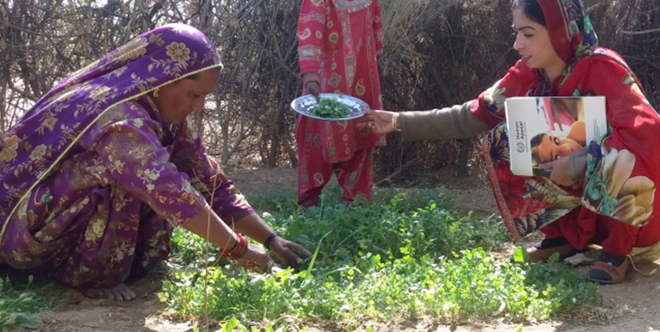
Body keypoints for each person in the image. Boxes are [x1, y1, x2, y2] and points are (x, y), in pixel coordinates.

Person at [0, 24, 310, 301]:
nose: (200, 106)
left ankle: (109, 264)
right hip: (22, 235)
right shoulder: (119, 119)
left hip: (53, 221)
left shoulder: (167, 117)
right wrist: (238, 249)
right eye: (193, 95)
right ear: (162, 80)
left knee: (165, 170)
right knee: (130, 175)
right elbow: (168, 189)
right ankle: (89, 275)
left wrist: (271, 239)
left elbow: (209, 181)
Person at [361, 0, 660, 284]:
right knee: (504, 138)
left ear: (560, 32)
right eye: (516, 33)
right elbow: (474, 115)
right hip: (578, 186)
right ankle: (560, 237)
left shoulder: (604, 69)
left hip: (632, 211)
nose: (518, 44)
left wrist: (580, 161)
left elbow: (649, 132)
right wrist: (398, 121)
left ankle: (616, 253)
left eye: (528, 34)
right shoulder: (529, 73)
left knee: (625, 153)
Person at [296, 0, 384, 208]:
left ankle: (355, 204)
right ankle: (309, 204)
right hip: (325, 87)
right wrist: (310, 74)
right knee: (318, 137)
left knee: (360, 133)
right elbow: (310, 27)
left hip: (362, 80)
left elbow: (376, 33)